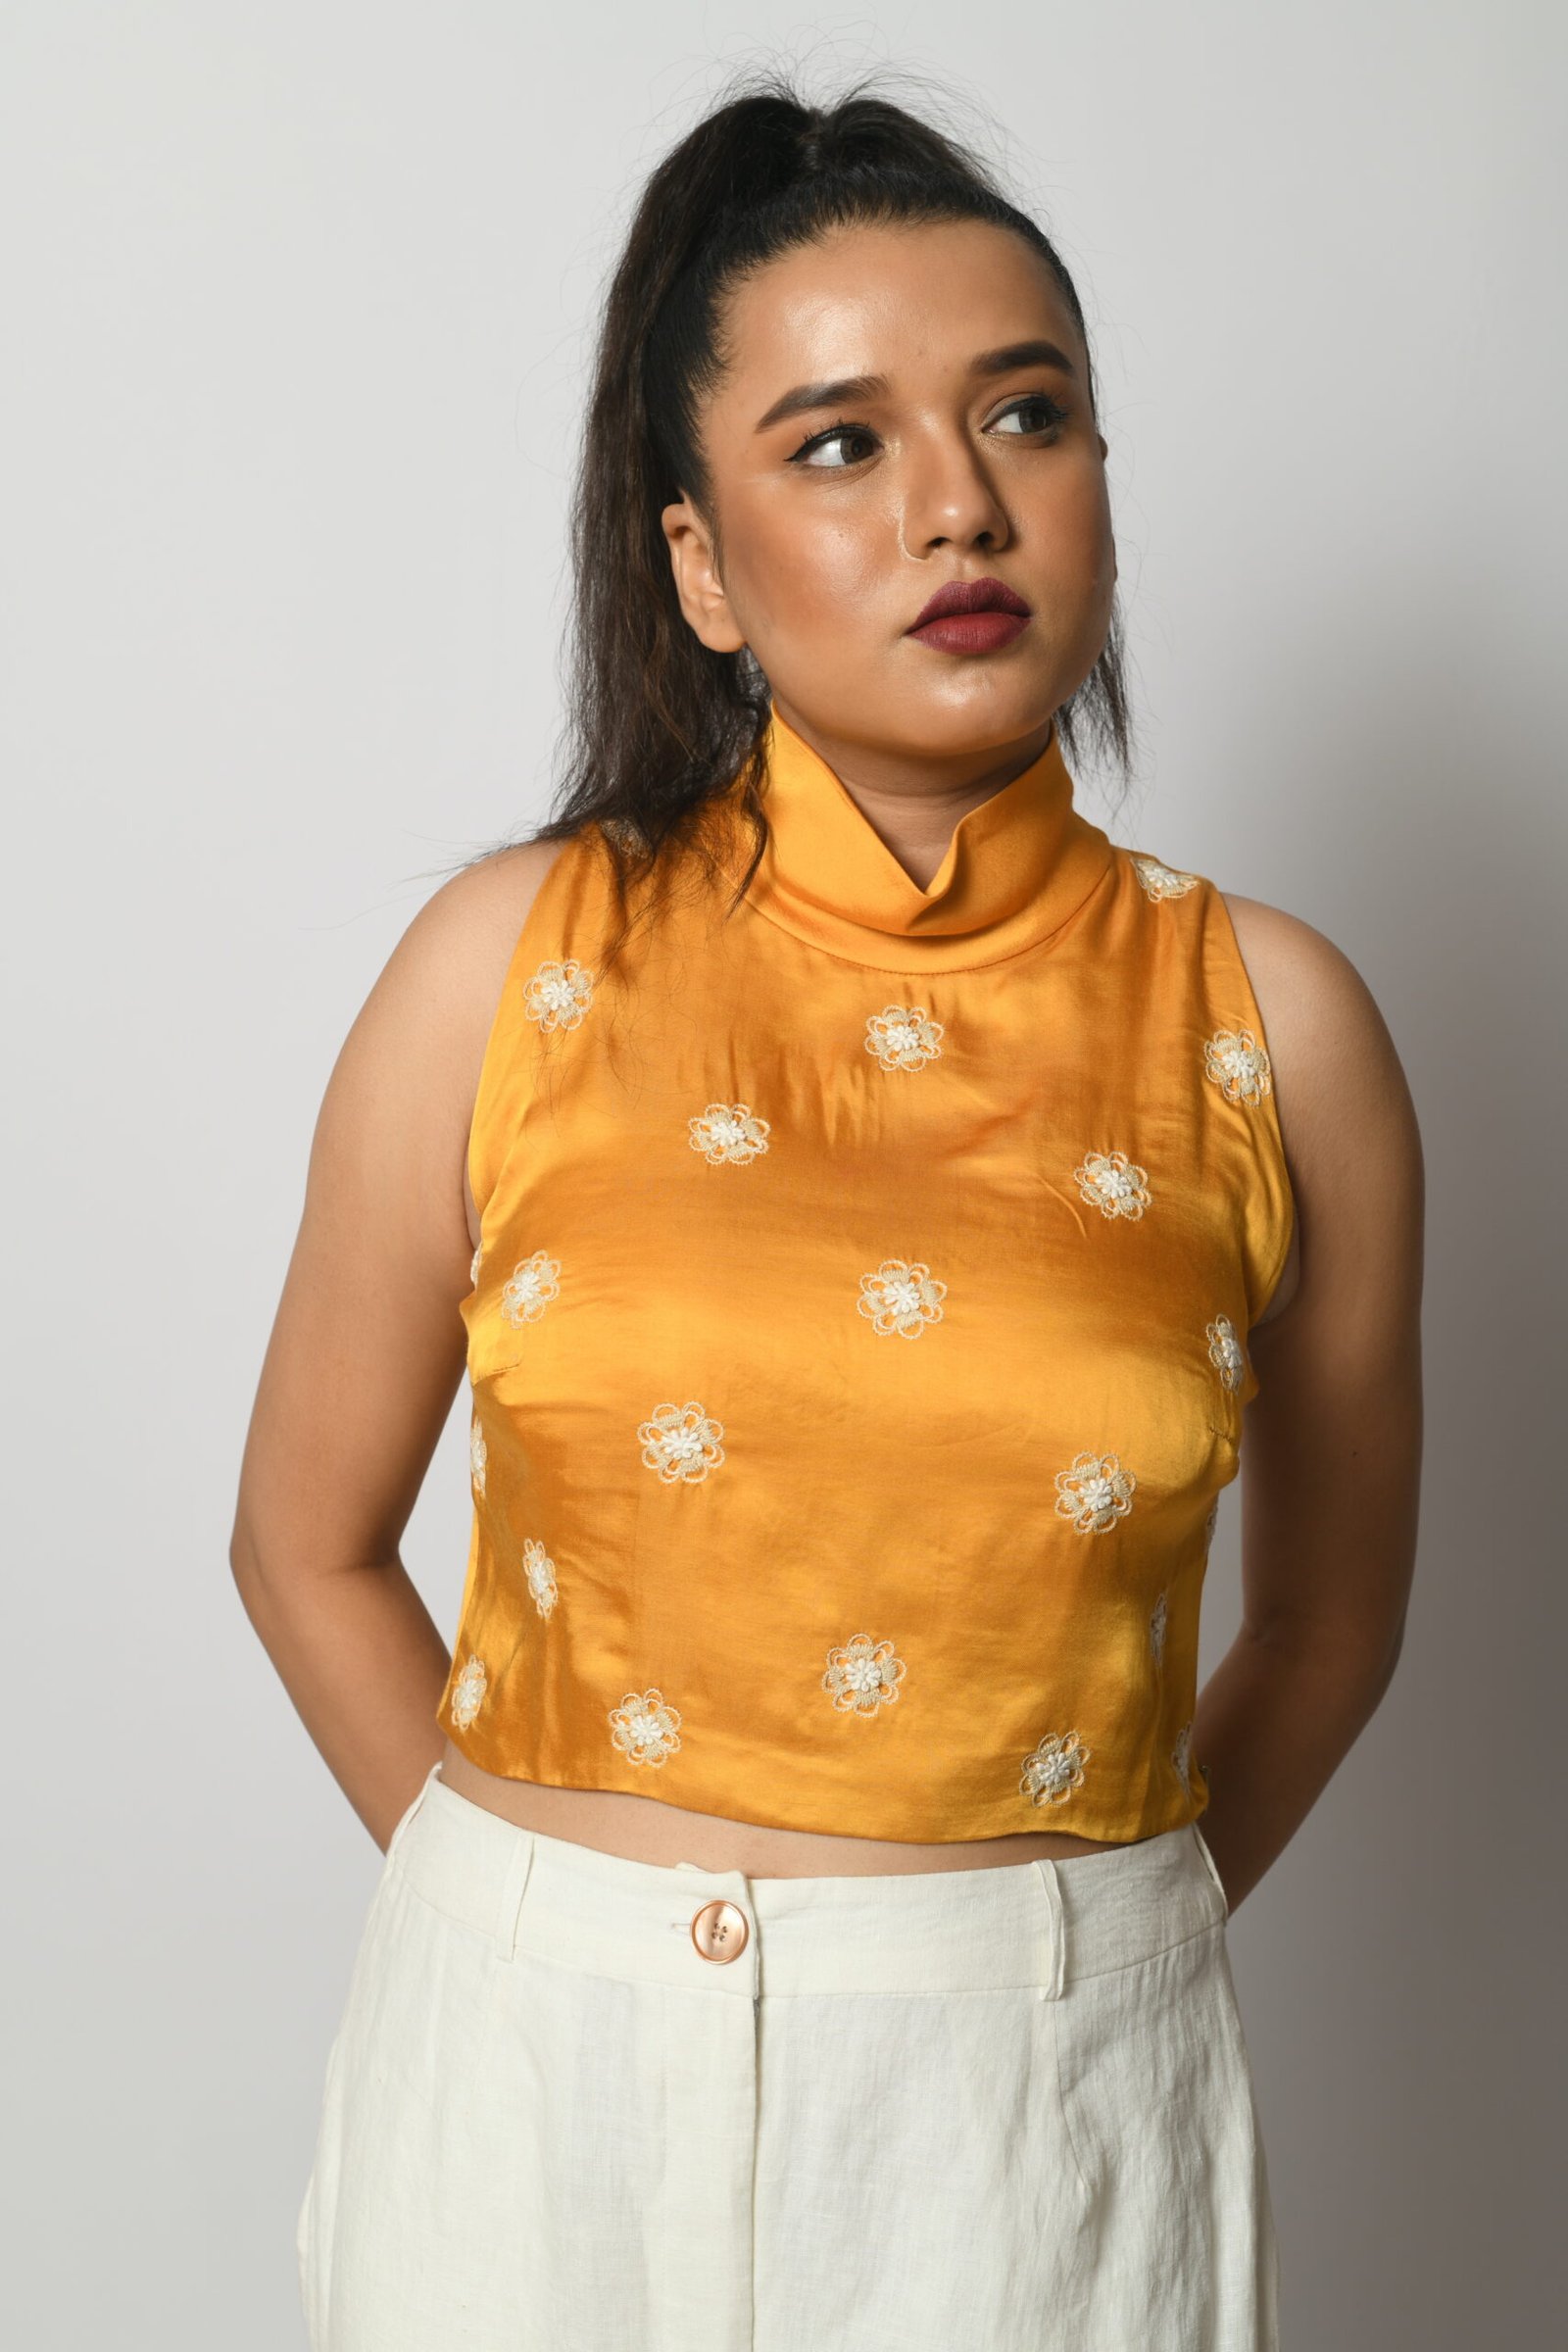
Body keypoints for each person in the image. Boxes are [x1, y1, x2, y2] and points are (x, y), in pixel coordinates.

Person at [230, 70, 1423, 2352]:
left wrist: (1052, 1966)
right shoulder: (508, 965)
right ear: (697, 563)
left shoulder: (1270, 1026)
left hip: (1040, 2135)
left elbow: (1329, 1624)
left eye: (1024, 416)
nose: (956, 504)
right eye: (840, 443)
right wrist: (535, 1940)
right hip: (523, 2123)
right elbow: (303, 1543)